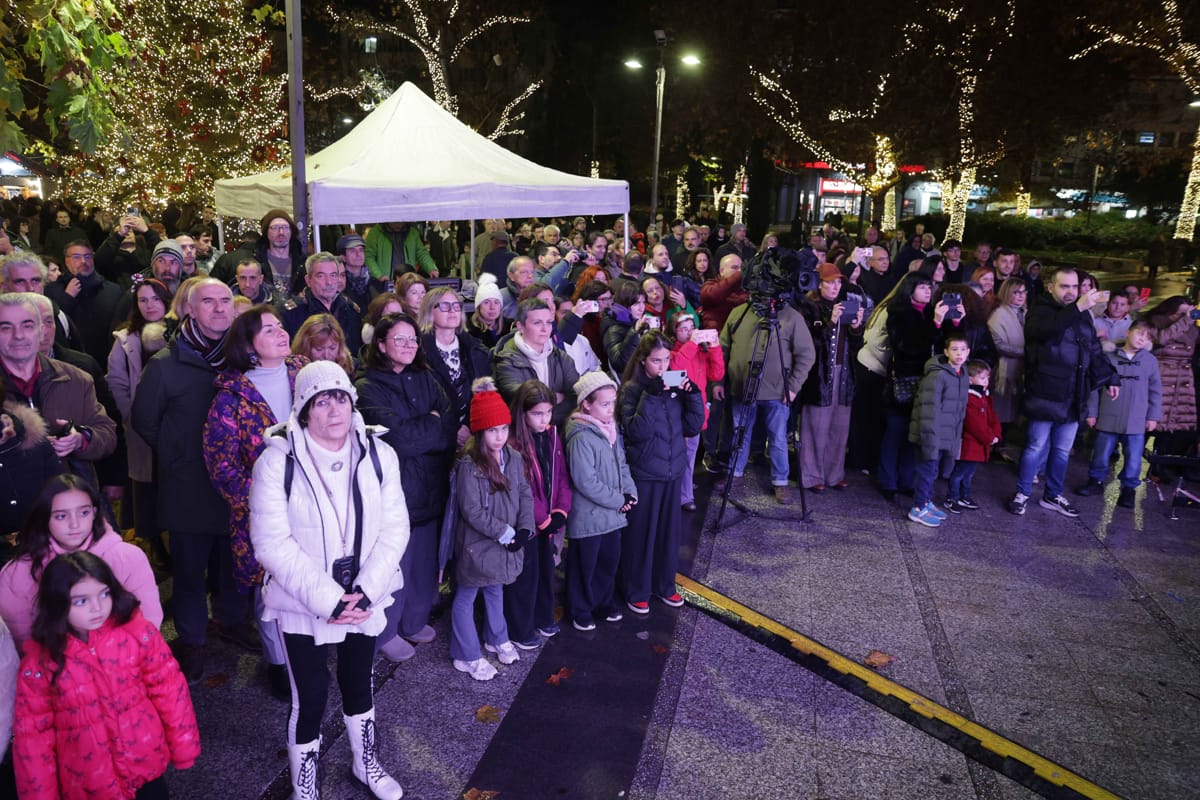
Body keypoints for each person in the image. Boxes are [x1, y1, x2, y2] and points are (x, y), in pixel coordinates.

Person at [249, 361, 408, 800]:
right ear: (303, 410)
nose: (334, 409)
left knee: (359, 682)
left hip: (364, 596)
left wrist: (366, 592)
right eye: (321, 401)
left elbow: (395, 528)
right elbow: (271, 543)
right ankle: (305, 785)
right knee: (311, 696)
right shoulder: (276, 462)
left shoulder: (379, 454)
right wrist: (330, 601)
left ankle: (365, 761)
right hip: (303, 601)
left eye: (340, 398)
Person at [131, 277, 251, 681]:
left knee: (231, 563)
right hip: (187, 487)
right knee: (188, 572)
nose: (219, 308)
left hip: (232, 486)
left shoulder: (242, 358)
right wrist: (179, 455)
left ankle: (232, 622)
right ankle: (193, 639)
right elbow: (144, 421)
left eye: (225, 301)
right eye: (208, 302)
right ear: (189, 310)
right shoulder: (166, 364)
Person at [13, 551, 199, 800]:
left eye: (104, 594)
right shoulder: (40, 663)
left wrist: (183, 745)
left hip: (144, 762)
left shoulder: (137, 633)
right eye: (81, 601)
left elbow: (169, 689)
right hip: (89, 781)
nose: (98, 608)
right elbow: (33, 737)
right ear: (57, 604)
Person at [202, 306, 306, 701]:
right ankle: (279, 663)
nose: (281, 333)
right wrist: (266, 496)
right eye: (269, 330)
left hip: (313, 503)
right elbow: (222, 465)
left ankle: (309, 653)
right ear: (248, 344)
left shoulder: (305, 373)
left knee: (309, 579)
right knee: (270, 590)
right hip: (263, 512)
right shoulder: (231, 397)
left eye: (281, 326)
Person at [356, 313, 456, 663]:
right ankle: (387, 632)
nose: (409, 345)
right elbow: (397, 439)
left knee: (424, 562)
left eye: (413, 339)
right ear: (381, 345)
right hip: (396, 489)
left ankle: (414, 620)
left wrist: (427, 430)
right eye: (399, 339)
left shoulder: (426, 376)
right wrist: (430, 425)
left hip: (431, 483)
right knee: (394, 564)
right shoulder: (367, 386)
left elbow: (449, 424)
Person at [0, 474, 161, 649]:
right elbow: (22, 640)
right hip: (56, 661)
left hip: (126, 658)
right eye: (61, 516)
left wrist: (120, 658)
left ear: (94, 512)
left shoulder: (128, 557)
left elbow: (149, 620)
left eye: (84, 512)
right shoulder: (17, 572)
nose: (74, 524)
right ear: (44, 518)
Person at [1008, 268, 1118, 517]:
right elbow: (1043, 332)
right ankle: (1022, 493)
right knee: (1035, 446)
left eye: (1074, 286)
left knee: (1061, 450)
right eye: (1064, 286)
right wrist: (1077, 308)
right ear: (1051, 288)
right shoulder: (1041, 309)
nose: (1071, 292)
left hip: (1074, 393)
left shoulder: (1082, 313)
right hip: (1045, 391)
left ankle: (1052, 495)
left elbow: (1093, 348)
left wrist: (1111, 377)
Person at [449, 379, 533, 681]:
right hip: (477, 544)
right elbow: (471, 510)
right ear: (479, 431)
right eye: (492, 430)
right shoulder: (469, 464)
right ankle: (466, 654)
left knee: (495, 588)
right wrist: (505, 533)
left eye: (504, 428)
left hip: (504, 541)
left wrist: (525, 527)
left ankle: (496, 637)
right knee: (466, 596)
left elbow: (524, 492)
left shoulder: (514, 457)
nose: (499, 436)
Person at [619, 332, 704, 614]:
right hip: (645, 473)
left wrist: (693, 395)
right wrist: (652, 395)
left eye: (667, 360)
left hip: (672, 471)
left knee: (669, 535)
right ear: (643, 360)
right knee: (641, 535)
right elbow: (636, 432)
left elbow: (692, 427)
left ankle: (665, 585)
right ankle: (636, 589)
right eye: (657, 361)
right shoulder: (632, 389)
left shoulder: (673, 385)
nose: (663, 366)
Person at [721, 295, 816, 505]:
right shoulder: (739, 313)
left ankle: (780, 482)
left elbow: (807, 355)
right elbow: (723, 348)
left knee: (778, 438)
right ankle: (734, 474)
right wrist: (718, 382)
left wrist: (793, 387)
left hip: (778, 392)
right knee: (739, 433)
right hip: (742, 389)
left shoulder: (792, 317)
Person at [106, 277, 171, 565]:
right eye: (143, 300)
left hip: (175, 425)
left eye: (155, 299)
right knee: (147, 488)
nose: (150, 305)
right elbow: (116, 382)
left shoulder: (179, 332)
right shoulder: (125, 339)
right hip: (140, 427)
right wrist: (133, 416)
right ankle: (155, 544)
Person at [564, 371, 635, 632]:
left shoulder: (610, 429)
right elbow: (586, 482)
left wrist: (631, 493)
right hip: (589, 518)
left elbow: (622, 464)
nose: (611, 409)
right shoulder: (581, 437)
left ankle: (603, 603)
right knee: (585, 567)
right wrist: (619, 500)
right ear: (586, 404)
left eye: (613, 402)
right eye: (604, 404)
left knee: (608, 562)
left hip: (612, 515)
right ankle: (580, 610)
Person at [505, 380, 572, 648]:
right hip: (526, 522)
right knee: (525, 576)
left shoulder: (552, 436)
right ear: (522, 413)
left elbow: (562, 476)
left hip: (548, 519)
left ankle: (543, 616)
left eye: (548, 412)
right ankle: (520, 628)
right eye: (537, 414)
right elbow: (521, 487)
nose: (544, 419)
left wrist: (561, 510)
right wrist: (543, 518)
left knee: (546, 570)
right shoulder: (513, 443)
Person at [1076, 321, 1162, 508]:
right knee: (1101, 452)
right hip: (1109, 414)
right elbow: (1095, 388)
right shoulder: (1108, 357)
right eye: (1139, 333)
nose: (1142, 339)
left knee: (1134, 458)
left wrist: (1153, 416)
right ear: (1128, 331)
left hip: (1137, 418)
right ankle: (1095, 481)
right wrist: (1092, 412)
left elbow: (1155, 390)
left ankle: (1129, 489)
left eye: (1147, 337)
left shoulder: (1150, 361)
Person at [798, 263, 865, 492]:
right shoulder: (809, 307)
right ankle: (811, 476)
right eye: (830, 282)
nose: (836, 286)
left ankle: (834, 474)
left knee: (839, 426)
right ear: (819, 284)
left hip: (844, 372)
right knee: (815, 426)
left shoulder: (844, 305)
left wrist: (856, 327)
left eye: (838, 282)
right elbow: (809, 344)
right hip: (818, 375)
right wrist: (831, 323)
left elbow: (856, 347)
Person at [876, 273, 938, 502]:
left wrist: (952, 321)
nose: (928, 292)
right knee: (895, 432)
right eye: (922, 287)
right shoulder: (898, 312)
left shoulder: (931, 312)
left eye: (929, 287)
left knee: (914, 435)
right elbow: (908, 346)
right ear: (910, 290)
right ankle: (887, 481)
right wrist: (935, 324)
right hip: (903, 380)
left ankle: (906, 480)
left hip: (926, 382)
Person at [906, 334, 970, 528]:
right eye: (954, 349)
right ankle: (918, 508)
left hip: (944, 435)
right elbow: (928, 411)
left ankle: (926, 502)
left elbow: (959, 410)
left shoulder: (962, 374)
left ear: (968, 352)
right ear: (946, 352)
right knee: (926, 472)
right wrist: (930, 439)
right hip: (930, 435)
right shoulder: (938, 375)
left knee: (932, 472)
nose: (959, 354)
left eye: (963, 350)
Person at [419, 287, 493, 449]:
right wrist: (454, 428)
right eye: (445, 306)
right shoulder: (418, 352)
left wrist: (468, 425)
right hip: (436, 437)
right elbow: (422, 400)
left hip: (473, 432)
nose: (452, 311)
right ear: (430, 311)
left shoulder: (475, 349)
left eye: (456, 306)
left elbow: (484, 393)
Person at [668, 313, 725, 510]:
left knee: (690, 455)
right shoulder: (670, 352)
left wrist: (715, 346)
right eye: (683, 329)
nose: (689, 332)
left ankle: (684, 493)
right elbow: (675, 371)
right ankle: (683, 496)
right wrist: (692, 343)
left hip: (695, 413)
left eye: (692, 328)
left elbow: (716, 374)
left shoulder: (701, 351)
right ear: (673, 332)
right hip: (677, 414)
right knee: (679, 456)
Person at [493, 298, 580, 426]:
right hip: (522, 430)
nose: (545, 329)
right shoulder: (506, 359)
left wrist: (549, 415)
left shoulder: (561, 357)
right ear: (520, 327)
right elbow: (522, 398)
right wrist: (555, 397)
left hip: (558, 428)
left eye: (549, 322)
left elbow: (576, 395)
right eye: (537, 323)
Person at [1143, 297, 1197, 481]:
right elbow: (1162, 339)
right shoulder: (1154, 323)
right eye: (1180, 313)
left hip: (1182, 381)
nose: (1184, 316)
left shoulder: (1192, 328)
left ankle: (1158, 469)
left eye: (1187, 312)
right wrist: (1186, 320)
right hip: (1161, 377)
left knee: (1170, 428)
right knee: (1147, 423)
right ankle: (1131, 465)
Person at [945, 360, 1001, 513]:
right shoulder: (970, 399)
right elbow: (975, 425)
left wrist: (996, 434)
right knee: (960, 473)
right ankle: (952, 498)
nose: (986, 381)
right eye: (982, 378)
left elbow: (992, 418)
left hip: (978, 447)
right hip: (968, 445)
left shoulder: (983, 397)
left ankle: (964, 496)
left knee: (969, 473)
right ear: (970, 380)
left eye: (987, 378)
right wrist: (990, 437)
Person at [987, 277, 1027, 452]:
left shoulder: (1024, 313)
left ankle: (1002, 443)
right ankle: (996, 445)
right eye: (1016, 292)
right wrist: (1025, 352)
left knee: (1011, 409)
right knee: (1000, 409)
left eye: (1023, 292)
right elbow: (997, 344)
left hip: (1020, 370)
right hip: (1003, 370)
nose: (1021, 296)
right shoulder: (999, 315)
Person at [468, 275, 506, 348]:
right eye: (486, 302)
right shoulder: (471, 332)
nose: (492, 307)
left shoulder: (509, 327)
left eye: (496, 302)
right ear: (478, 306)